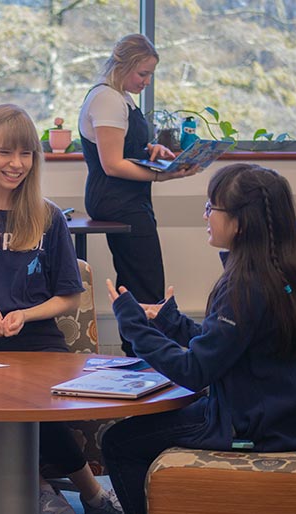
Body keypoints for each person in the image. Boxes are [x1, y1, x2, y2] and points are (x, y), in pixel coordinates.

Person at [0, 104, 122, 514]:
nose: (17, 164)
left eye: (26, 154)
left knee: (36, 402)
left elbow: (70, 296)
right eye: (5, 153)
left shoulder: (48, 217)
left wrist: (25, 315)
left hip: (41, 344)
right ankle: (41, 487)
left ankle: (90, 493)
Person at [102, 163, 296, 514]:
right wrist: (170, 321)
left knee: (119, 442)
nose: (205, 215)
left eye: (212, 207)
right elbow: (231, 344)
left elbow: (195, 370)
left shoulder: (243, 283)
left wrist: (133, 325)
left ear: (240, 222)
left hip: (253, 429)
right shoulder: (285, 271)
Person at [79, 33, 199, 355]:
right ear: (122, 66)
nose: (146, 81)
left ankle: (141, 353)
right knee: (145, 284)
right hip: (117, 198)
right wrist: (164, 176)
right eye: (142, 73)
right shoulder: (106, 99)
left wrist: (151, 149)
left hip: (130, 199)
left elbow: (125, 147)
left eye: (150, 75)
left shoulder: (123, 98)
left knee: (142, 280)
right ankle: (144, 358)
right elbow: (113, 164)